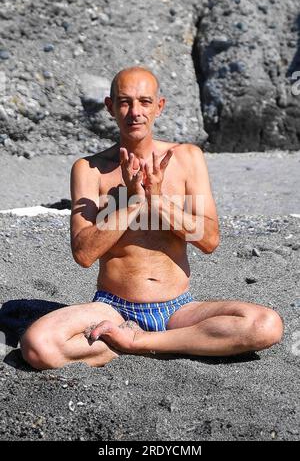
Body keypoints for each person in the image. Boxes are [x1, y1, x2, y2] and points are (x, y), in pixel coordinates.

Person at [20, 66, 283, 369]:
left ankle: (138, 342)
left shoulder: (187, 158)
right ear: (110, 107)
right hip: (113, 309)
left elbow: (209, 240)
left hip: (179, 309)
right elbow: (84, 253)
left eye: (145, 102)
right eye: (124, 102)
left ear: (160, 106)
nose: (135, 112)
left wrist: (157, 201)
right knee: (38, 346)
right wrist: (133, 202)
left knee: (266, 325)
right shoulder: (89, 169)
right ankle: (161, 340)